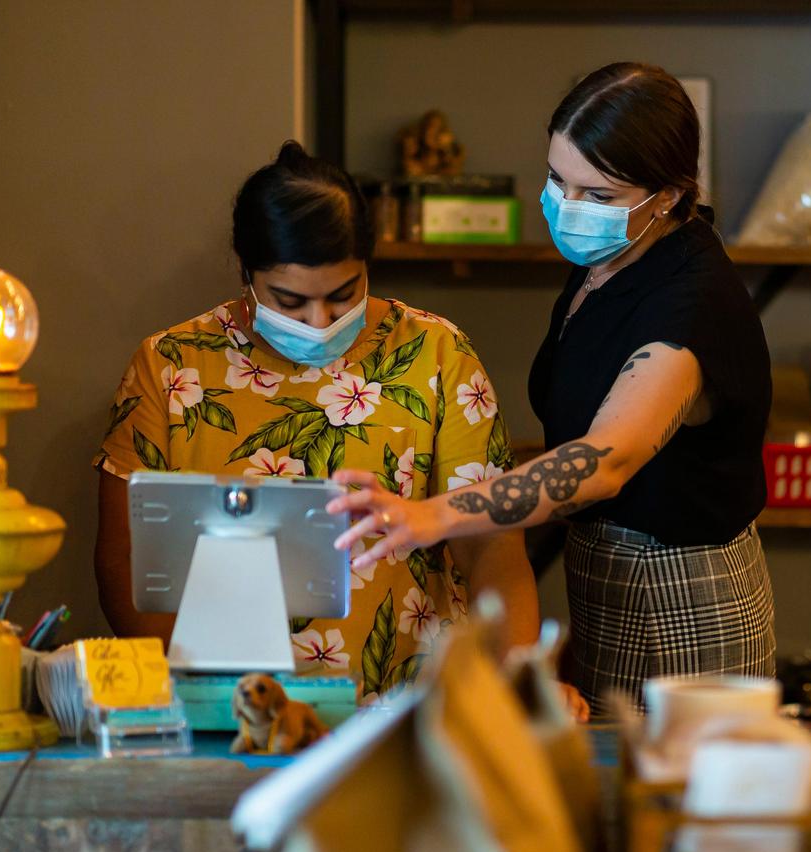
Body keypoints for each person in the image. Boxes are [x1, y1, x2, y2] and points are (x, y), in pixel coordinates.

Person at [329, 62, 776, 715]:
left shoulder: (688, 310)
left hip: (678, 593)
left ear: (673, 195)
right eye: (558, 181)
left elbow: (605, 461)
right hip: (606, 572)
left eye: (597, 196)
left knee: (670, 804)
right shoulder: (614, 256)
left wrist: (434, 514)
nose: (569, 208)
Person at [93, 141, 541, 702]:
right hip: (228, 709)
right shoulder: (170, 367)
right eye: (289, 300)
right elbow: (126, 559)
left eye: (342, 295)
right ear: (245, 269)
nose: (319, 321)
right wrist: (197, 699)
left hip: (412, 704)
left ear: (367, 265)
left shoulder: (436, 353)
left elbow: (493, 547)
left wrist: (516, 681)